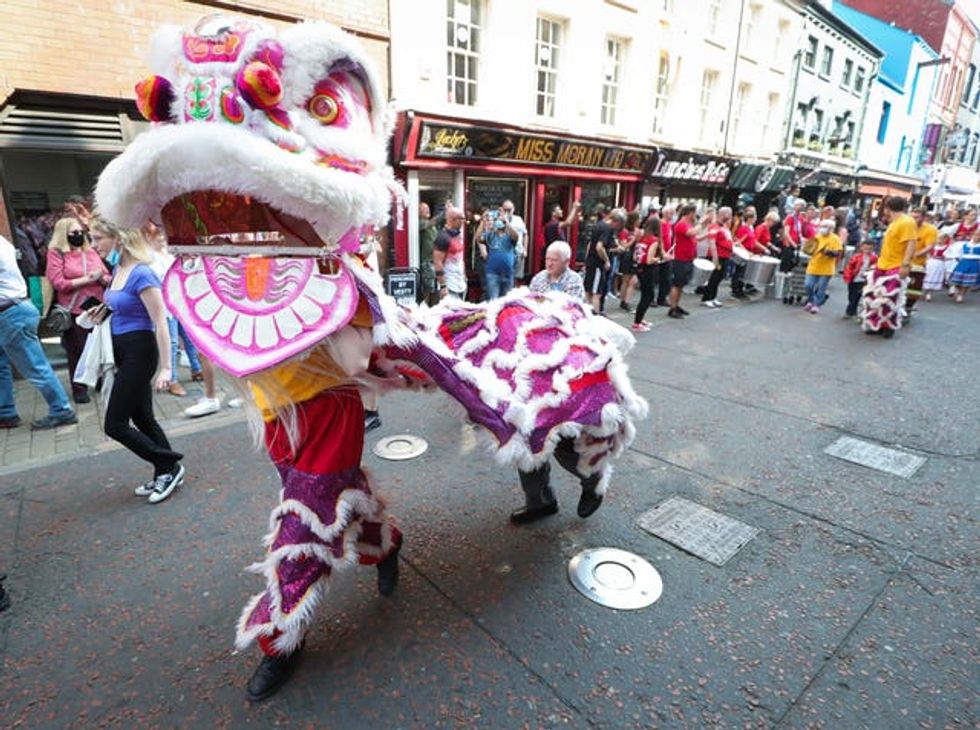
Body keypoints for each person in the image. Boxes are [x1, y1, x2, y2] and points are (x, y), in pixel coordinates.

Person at [91, 228, 184, 502]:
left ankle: (170, 463)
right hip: (121, 349)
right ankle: (165, 471)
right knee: (143, 418)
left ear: (118, 238)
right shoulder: (118, 268)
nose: (93, 244)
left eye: (98, 238)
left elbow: (161, 321)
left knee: (115, 425)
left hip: (140, 351)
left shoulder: (142, 273)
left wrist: (167, 368)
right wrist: (99, 313)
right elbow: (120, 306)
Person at [0, 235, 77, 430]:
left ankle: (61, 410)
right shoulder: (3, 242)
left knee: (35, 366)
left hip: (10, 314)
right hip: (13, 311)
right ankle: (5, 412)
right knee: (3, 365)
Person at [45, 217, 111, 404]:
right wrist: (88, 278)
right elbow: (59, 283)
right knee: (77, 350)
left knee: (100, 345)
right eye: (74, 233)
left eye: (81, 231)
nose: (79, 235)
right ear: (63, 234)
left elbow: (106, 275)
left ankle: (99, 380)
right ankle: (79, 388)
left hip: (97, 306)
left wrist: (102, 279)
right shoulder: (56, 253)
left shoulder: (90, 251)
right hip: (73, 308)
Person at [145, 223, 202, 396]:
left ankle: (197, 368)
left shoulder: (168, 252)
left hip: (179, 301)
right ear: (148, 237)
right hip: (164, 304)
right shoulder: (148, 258)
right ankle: (172, 379)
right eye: (157, 235)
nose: (162, 238)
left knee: (190, 337)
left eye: (163, 234)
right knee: (172, 341)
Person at [861, 196, 917, 338]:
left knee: (890, 298)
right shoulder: (894, 222)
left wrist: (905, 264)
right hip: (883, 264)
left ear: (887, 208)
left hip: (896, 265)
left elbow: (911, 243)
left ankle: (888, 327)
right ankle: (876, 324)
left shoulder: (907, 222)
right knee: (875, 296)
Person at [583, 210, 625, 315]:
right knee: (597, 293)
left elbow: (591, 244)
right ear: (617, 222)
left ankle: (587, 315)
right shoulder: (607, 228)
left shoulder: (599, 224)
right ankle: (595, 319)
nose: (617, 228)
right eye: (619, 225)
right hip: (597, 264)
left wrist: (586, 259)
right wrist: (607, 261)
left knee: (588, 291)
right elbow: (599, 247)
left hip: (591, 262)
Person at [667, 204, 705, 319]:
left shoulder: (687, 224)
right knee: (676, 284)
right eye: (694, 213)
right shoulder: (681, 224)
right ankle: (672, 308)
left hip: (687, 258)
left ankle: (676, 305)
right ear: (690, 213)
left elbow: (694, 236)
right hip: (680, 258)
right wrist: (702, 222)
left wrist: (706, 234)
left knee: (681, 284)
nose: (695, 216)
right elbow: (692, 233)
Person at [477, 207, 519, 299]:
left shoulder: (510, 236)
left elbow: (516, 236)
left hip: (508, 274)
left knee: (506, 302)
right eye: (497, 219)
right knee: (493, 302)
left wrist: (506, 222)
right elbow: (479, 238)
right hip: (493, 274)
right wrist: (483, 222)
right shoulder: (491, 235)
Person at [631, 215, 664, 331]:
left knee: (645, 295)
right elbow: (650, 259)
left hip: (639, 268)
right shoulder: (654, 240)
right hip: (648, 269)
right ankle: (637, 322)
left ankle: (640, 318)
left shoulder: (641, 238)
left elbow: (636, 255)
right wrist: (658, 259)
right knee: (648, 296)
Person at [803, 218, 843, 314]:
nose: (823, 229)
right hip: (814, 264)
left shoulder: (835, 239)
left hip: (826, 267)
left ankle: (816, 304)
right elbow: (810, 249)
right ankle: (811, 300)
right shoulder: (817, 236)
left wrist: (828, 252)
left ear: (831, 228)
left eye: (825, 227)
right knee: (808, 285)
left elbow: (838, 253)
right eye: (822, 226)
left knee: (821, 287)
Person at [908, 207, 938, 313]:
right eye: (912, 217)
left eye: (917, 217)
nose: (914, 219)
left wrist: (914, 254)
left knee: (913, 289)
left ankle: (909, 307)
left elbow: (929, 246)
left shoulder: (931, 229)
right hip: (900, 261)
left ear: (924, 217)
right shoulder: (906, 227)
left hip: (917, 263)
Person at [433, 207, 467, 300]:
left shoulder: (457, 235)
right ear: (454, 219)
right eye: (462, 218)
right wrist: (443, 286)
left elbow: (460, 258)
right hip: (449, 285)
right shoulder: (442, 237)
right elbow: (437, 262)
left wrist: (464, 276)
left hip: (460, 283)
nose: (464, 221)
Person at [701, 206, 731, 308]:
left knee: (719, 277)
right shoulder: (714, 226)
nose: (730, 216)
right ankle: (707, 298)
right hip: (718, 256)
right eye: (728, 214)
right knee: (713, 277)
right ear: (722, 214)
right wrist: (715, 258)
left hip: (725, 255)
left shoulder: (724, 227)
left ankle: (713, 297)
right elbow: (712, 242)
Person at [842, 239, 877, 319]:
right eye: (865, 248)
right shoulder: (856, 257)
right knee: (851, 295)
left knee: (856, 296)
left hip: (864, 280)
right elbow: (849, 267)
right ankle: (853, 310)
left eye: (869, 249)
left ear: (873, 249)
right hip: (854, 279)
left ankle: (848, 312)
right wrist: (847, 277)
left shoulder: (874, 258)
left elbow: (875, 267)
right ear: (861, 247)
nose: (867, 251)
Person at [616, 211, 641, 311]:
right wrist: (634, 239)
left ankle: (624, 301)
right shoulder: (625, 231)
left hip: (635, 256)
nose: (640, 221)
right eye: (638, 219)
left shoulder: (637, 230)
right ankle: (625, 301)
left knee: (631, 281)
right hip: (627, 257)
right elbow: (624, 246)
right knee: (627, 280)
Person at [948, 228, 980, 303]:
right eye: (976, 235)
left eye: (979, 236)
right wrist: (958, 258)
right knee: (957, 277)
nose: (977, 237)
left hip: (974, 263)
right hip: (963, 262)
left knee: (967, 281)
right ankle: (954, 288)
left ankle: (961, 295)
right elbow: (958, 253)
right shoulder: (965, 244)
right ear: (972, 235)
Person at [501, 200, 527, 283]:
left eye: (509, 210)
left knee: (516, 278)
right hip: (505, 254)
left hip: (518, 252)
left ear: (513, 209)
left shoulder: (519, 219)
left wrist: (525, 249)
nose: (507, 212)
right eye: (505, 210)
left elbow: (525, 234)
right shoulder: (499, 221)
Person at [418, 202, 439, 304]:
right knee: (427, 288)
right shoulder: (419, 223)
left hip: (436, 261)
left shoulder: (433, 227)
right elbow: (431, 223)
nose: (428, 210)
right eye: (424, 209)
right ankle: (424, 309)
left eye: (428, 208)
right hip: (427, 261)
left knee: (436, 288)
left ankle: (433, 309)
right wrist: (445, 213)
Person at [922, 232, 952, 302]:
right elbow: (927, 253)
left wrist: (943, 258)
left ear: (945, 240)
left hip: (939, 264)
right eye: (939, 238)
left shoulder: (947, 248)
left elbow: (948, 257)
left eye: (942, 239)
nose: (940, 240)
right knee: (927, 275)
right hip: (930, 262)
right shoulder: (932, 246)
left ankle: (929, 292)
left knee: (934, 277)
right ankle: (925, 290)